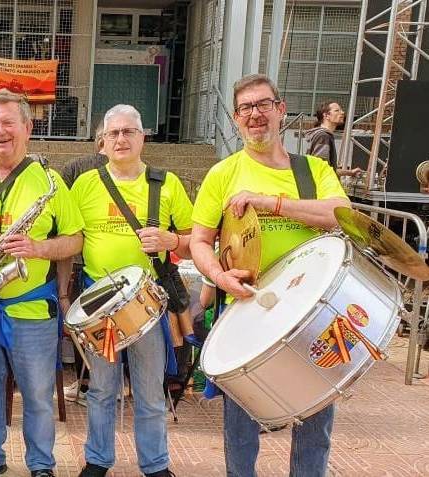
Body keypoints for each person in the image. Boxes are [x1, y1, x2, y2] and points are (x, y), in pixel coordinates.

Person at [189, 73, 351, 477]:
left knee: (315, 421)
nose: (254, 115)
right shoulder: (222, 174)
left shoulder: (312, 171)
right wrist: (217, 277)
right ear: (236, 119)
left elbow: (341, 216)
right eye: (245, 108)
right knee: (241, 429)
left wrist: (270, 202)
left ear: (280, 110)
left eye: (263, 105)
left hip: (312, 315)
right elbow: (199, 240)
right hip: (249, 313)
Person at [0, 89, 83, 477]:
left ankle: (41, 464)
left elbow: (76, 240)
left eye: (8, 123)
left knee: (38, 395)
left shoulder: (51, 183)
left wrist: (38, 247)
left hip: (30, 307)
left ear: (27, 127)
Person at [67, 104, 193, 477]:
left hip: (147, 302)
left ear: (142, 137)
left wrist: (171, 239)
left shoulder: (165, 183)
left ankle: (155, 466)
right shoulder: (85, 184)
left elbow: (194, 242)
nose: (121, 139)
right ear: (102, 142)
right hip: (99, 303)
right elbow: (69, 237)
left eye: (129, 132)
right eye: (113, 133)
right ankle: (97, 460)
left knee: (150, 390)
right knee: (103, 388)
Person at [58, 122, 107, 407]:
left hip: (76, 259)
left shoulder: (75, 167)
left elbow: (60, 210)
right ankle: (100, 384)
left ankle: (86, 383)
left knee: (82, 323)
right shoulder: (133, 171)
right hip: (106, 262)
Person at [305, 101, 362, 177]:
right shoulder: (323, 136)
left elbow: (328, 169)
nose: (342, 112)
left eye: (341, 110)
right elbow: (321, 169)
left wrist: (350, 172)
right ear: (326, 116)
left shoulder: (322, 135)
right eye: (337, 110)